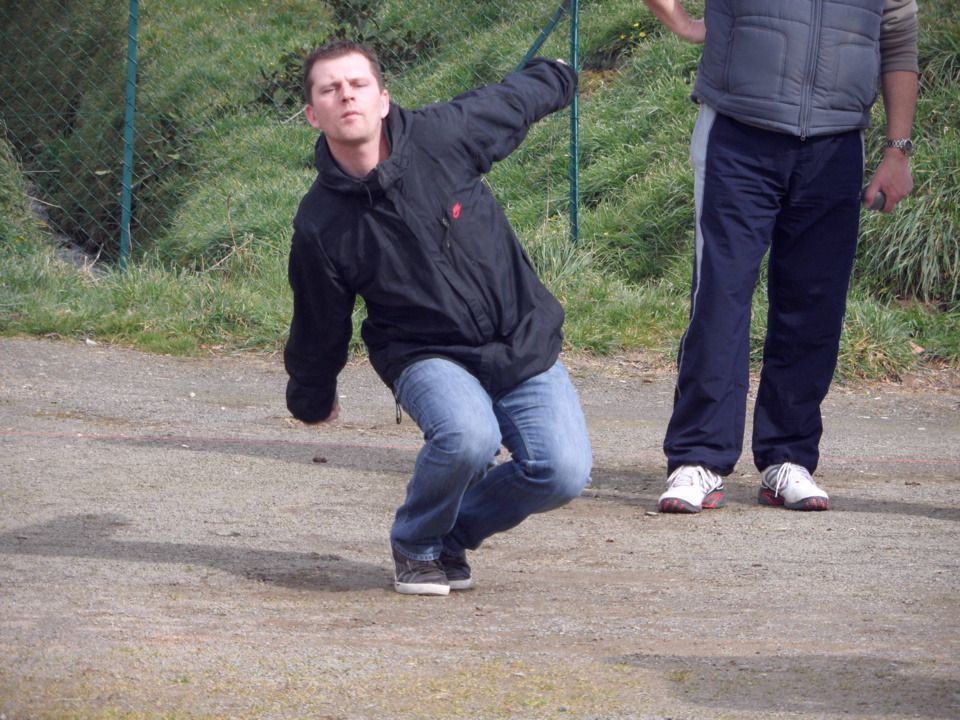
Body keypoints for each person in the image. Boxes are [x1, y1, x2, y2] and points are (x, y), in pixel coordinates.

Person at [283, 41, 592, 595]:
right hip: (423, 353)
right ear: (312, 114)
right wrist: (312, 395)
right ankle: (417, 542)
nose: (346, 96)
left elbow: (511, 100)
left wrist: (557, 74)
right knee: (468, 437)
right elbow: (318, 320)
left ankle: (453, 535)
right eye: (330, 89)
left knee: (562, 473)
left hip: (518, 334)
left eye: (358, 84)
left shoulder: (443, 136)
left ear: (383, 99)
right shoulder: (320, 222)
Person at [639, 0, 919, 513]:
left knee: (814, 305)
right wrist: (680, 21)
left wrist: (897, 150)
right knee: (720, 297)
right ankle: (699, 458)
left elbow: (898, 38)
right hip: (737, 135)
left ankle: (787, 458)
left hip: (837, 143)